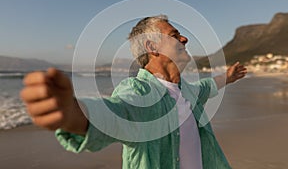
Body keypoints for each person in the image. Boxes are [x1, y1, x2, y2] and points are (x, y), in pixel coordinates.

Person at [20, 15, 247, 169]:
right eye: (175, 34)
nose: (184, 38)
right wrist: (72, 113)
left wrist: (227, 77)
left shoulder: (186, 89)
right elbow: (117, 113)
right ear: (152, 47)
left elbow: (205, 87)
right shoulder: (138, 93)